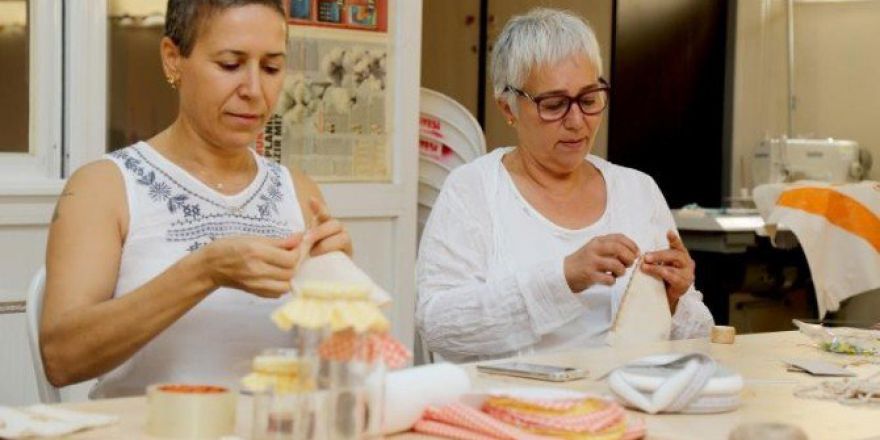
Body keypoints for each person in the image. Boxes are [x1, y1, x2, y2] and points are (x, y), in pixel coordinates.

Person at [40, 0, 351, 398]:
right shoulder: (103, 187)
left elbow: (336, 365)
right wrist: (203, 272)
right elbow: (62, 358)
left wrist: (340, 284)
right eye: (229, 64)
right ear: (173, 59)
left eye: (271, 68)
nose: (255, 90)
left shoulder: (299, 191)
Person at [416, 8, 714, 362]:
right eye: (554, 105)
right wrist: (563, 279)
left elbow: (698, 335)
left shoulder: (637, 190)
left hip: (629, 400)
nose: (577, 122)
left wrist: (675, 299)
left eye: (589, 100)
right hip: (514, 407)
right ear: (508, 108)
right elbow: (439, 326)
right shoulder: (474, 190)